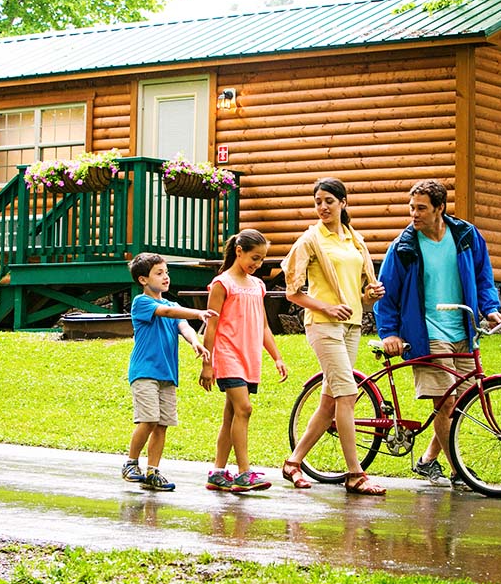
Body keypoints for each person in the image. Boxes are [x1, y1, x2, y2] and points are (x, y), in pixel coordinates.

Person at [374, 179, 501, 490]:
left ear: (439, 209)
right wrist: (390, 332)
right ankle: (461, 471)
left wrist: (490, 308)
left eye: (421, 208)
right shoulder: (403, 247)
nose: (414, 214)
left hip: (463, 329)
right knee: (446, 406)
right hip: (425, 332)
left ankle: (426, 460)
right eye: (411, 208)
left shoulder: (466, 236)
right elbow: (387, 294)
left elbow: (482, 276)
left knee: (459, 403)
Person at [281, 177, 387, 496]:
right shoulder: (310, 240)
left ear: (343, 202)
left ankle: (293, 463)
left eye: (329, 200)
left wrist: (372, 294)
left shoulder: (355, 240)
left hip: (351, 324)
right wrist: (327, 307)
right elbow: (293, 293)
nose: (323, 207)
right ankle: (355, 474)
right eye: (318, 202)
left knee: (330, 402)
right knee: (347, 395)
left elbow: (361, 292)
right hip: (322, 325)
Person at [199, 229, 288, 493]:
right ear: (239, 251)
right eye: (254, 258)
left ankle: (217, 472)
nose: (257, 264)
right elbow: (211, 326)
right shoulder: (222, 284)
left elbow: (263, 326)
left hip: (249, 356)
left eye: (262, 260)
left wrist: (277, 357)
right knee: (244, 409)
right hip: (227, 354)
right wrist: (207, 363)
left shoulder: (258, 286)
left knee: (232, 414)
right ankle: (244, 473)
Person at [122, 252, 218, 491]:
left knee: (162, 423)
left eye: (166, 272)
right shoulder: (142, 302)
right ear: (143, 280)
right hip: (144, 371)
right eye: (159, 273)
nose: (166, 277)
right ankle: (130, 463)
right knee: (149, 419)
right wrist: (197, 313)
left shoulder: (172, 304)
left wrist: (194, 342)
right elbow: (167, 314)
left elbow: (182, 325)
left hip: (167, 373)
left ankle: (153, 471)